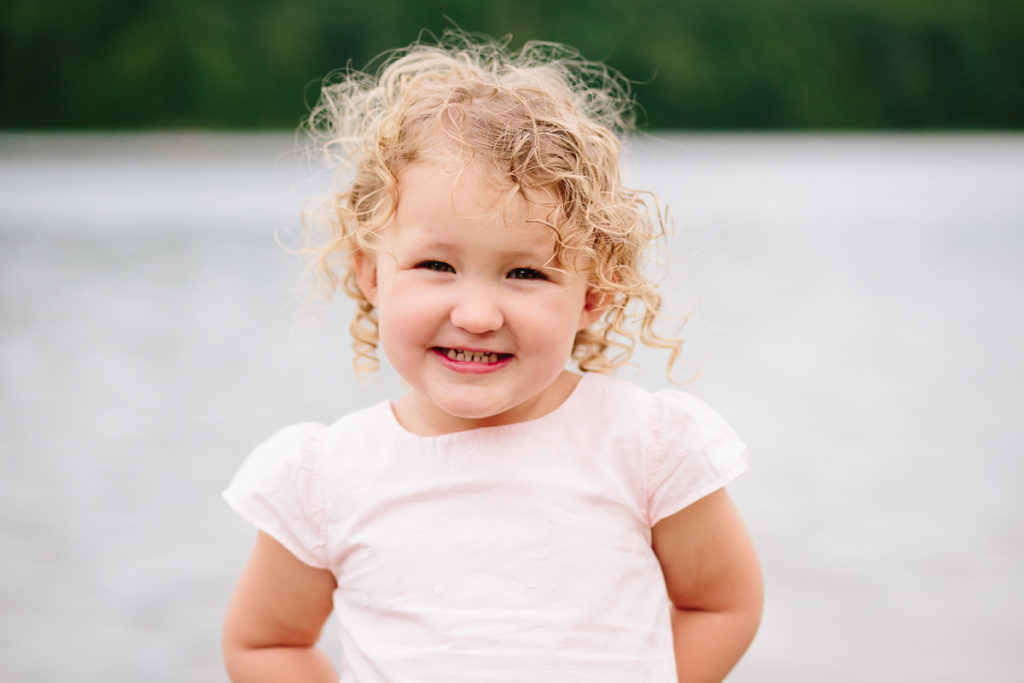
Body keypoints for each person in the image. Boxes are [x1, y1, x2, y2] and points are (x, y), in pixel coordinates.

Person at [221, 32, 762, 683]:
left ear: (591, 295)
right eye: (436, 265)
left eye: (526, 273)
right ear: (370, 273)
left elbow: (722, 602)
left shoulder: (646, 446)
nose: (477, 315)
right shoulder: (326, 478)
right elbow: (267, 643)